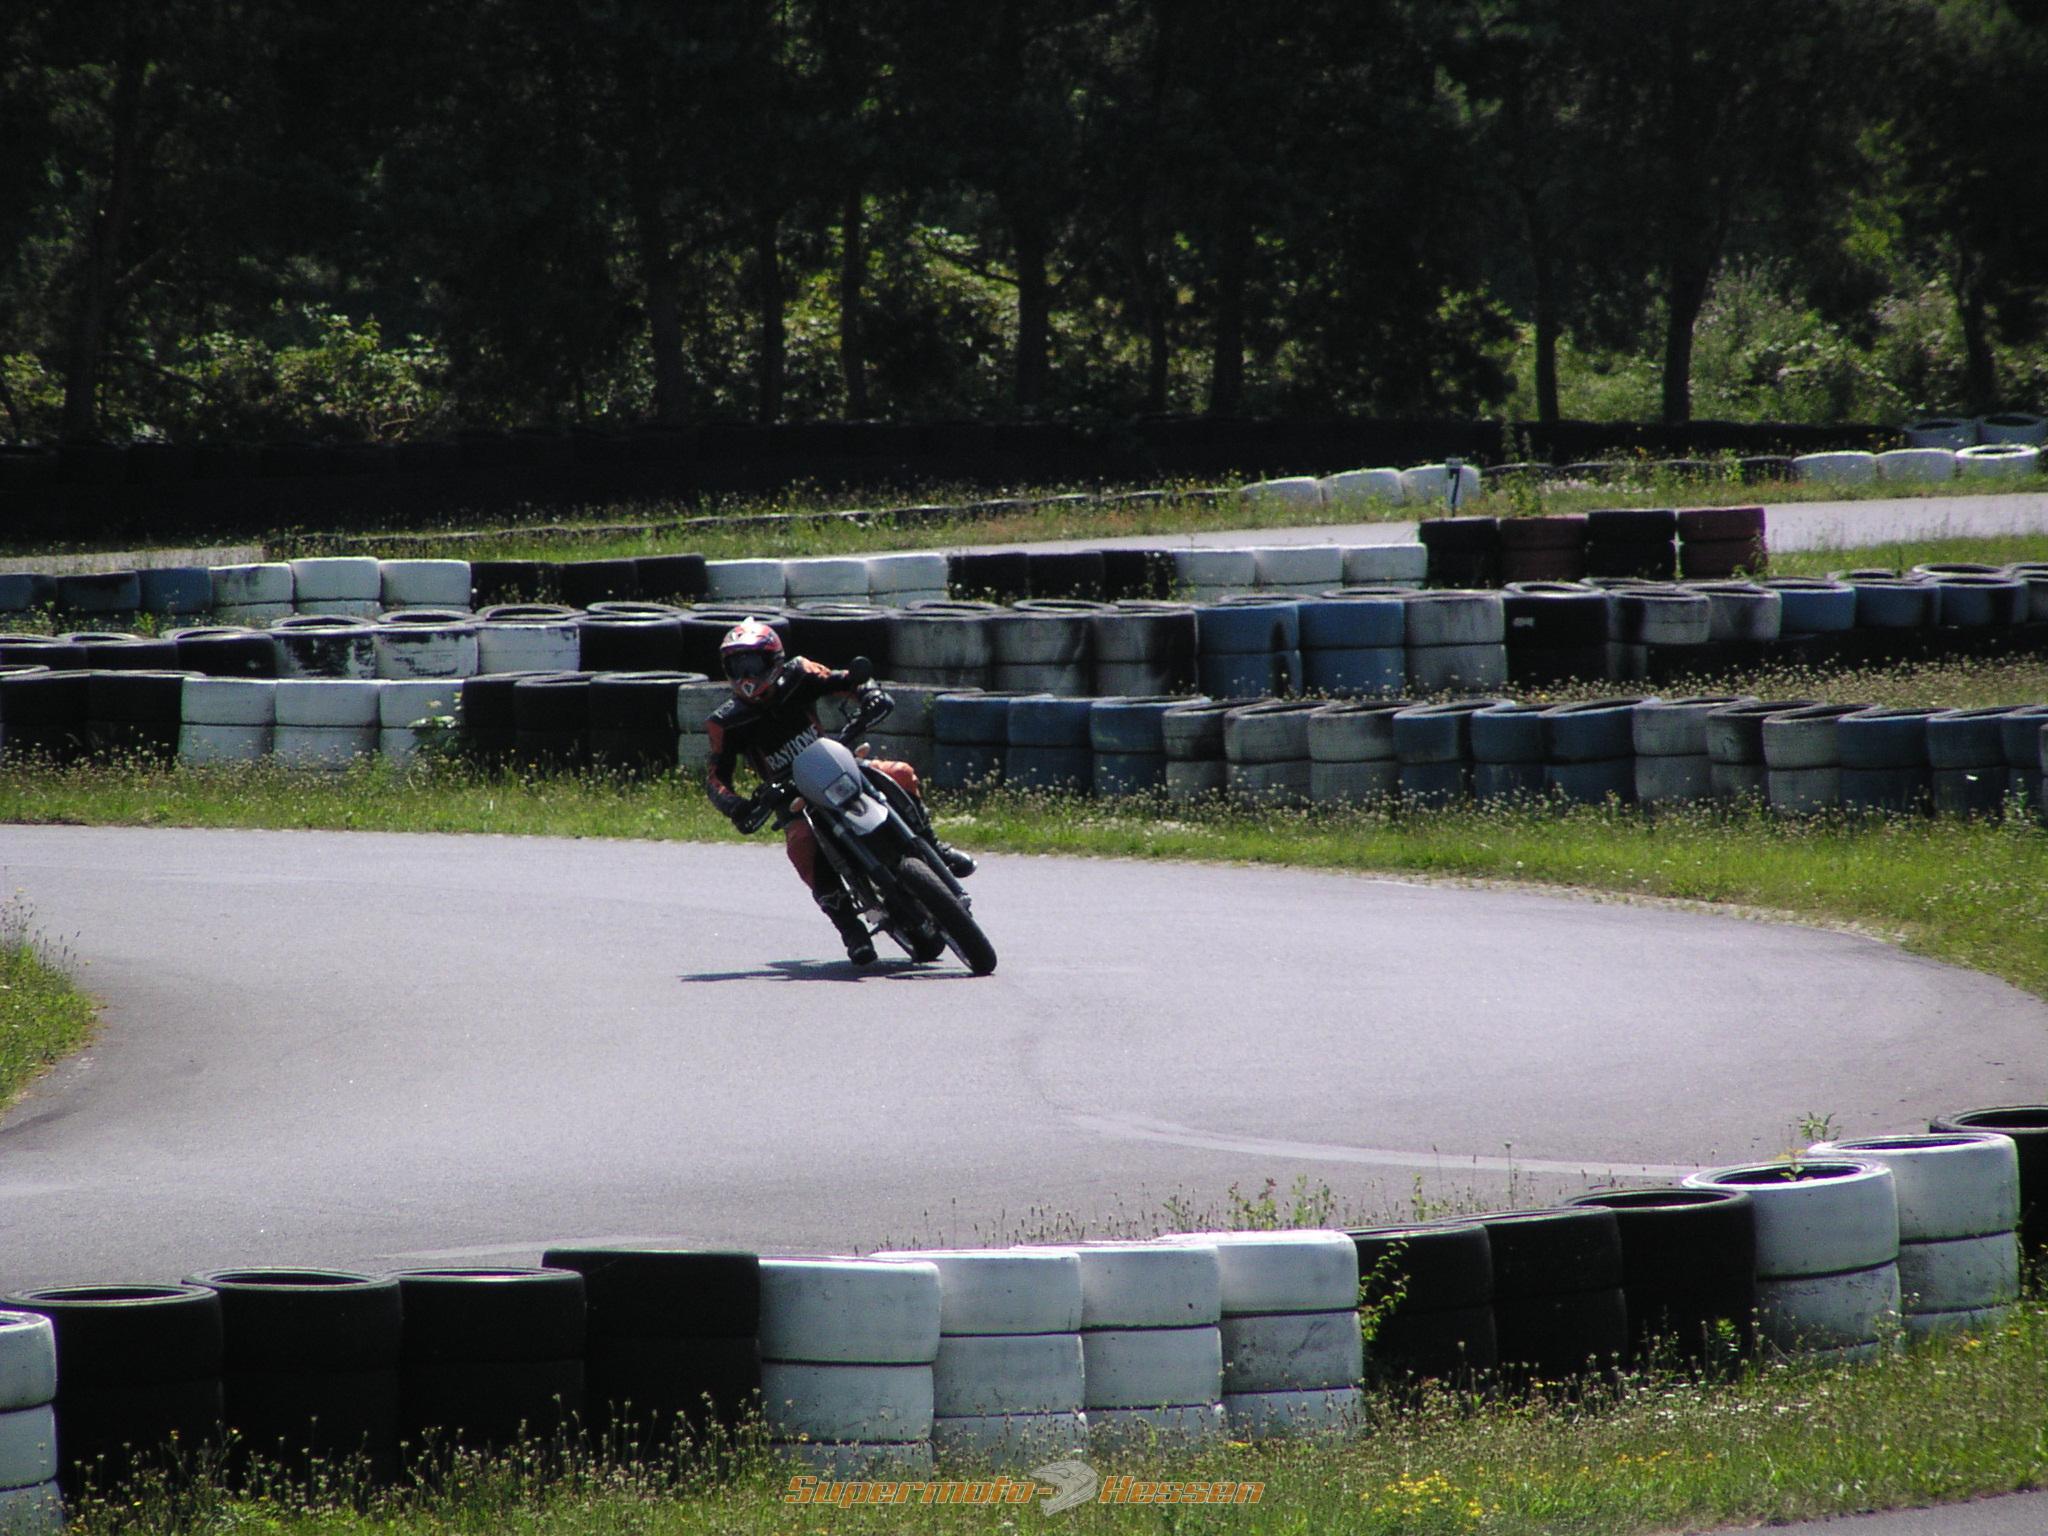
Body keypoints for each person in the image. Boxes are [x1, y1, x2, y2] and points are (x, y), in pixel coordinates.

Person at [703, 619, 975, 965]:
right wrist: (737, 806)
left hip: (835, 761)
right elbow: (716, 776)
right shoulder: (725, 721)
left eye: (752, 664)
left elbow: (848, 679)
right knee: (801, 843)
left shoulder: (800, 673)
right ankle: (848, 926)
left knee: (901, 773)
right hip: (789, 793)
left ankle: (934, 846)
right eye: (737, 666)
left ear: (773, 660)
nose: (746, 674)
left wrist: (870, 694)